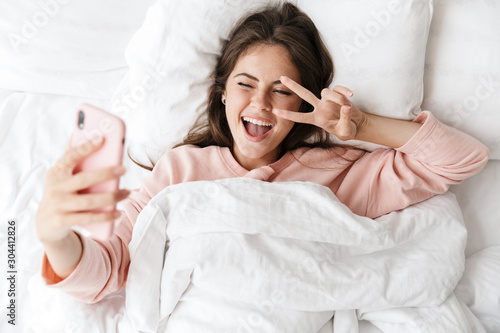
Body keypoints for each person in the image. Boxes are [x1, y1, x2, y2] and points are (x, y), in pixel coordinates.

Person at [35, 3, 489, 303]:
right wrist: (55, 235)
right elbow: (108, 271)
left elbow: (463, 159)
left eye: (282, 91)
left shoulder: (336, 172)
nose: (261, 105)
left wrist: (362, 126)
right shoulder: (180, 170)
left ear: (304, 103)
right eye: (246, 85)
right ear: (222, 96)